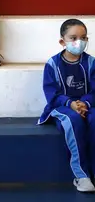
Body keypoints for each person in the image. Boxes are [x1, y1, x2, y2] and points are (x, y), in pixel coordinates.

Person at [38, 19, 95, 192]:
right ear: (62, 41)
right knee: (73, 120)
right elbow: (52, 95)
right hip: (62, 107)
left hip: (88, 105)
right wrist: (70, 103)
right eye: (73, 37)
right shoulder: (53, 64)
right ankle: (82, 175)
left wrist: (84, 103)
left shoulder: (91, 62)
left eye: (83, 37)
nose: (79, 41)